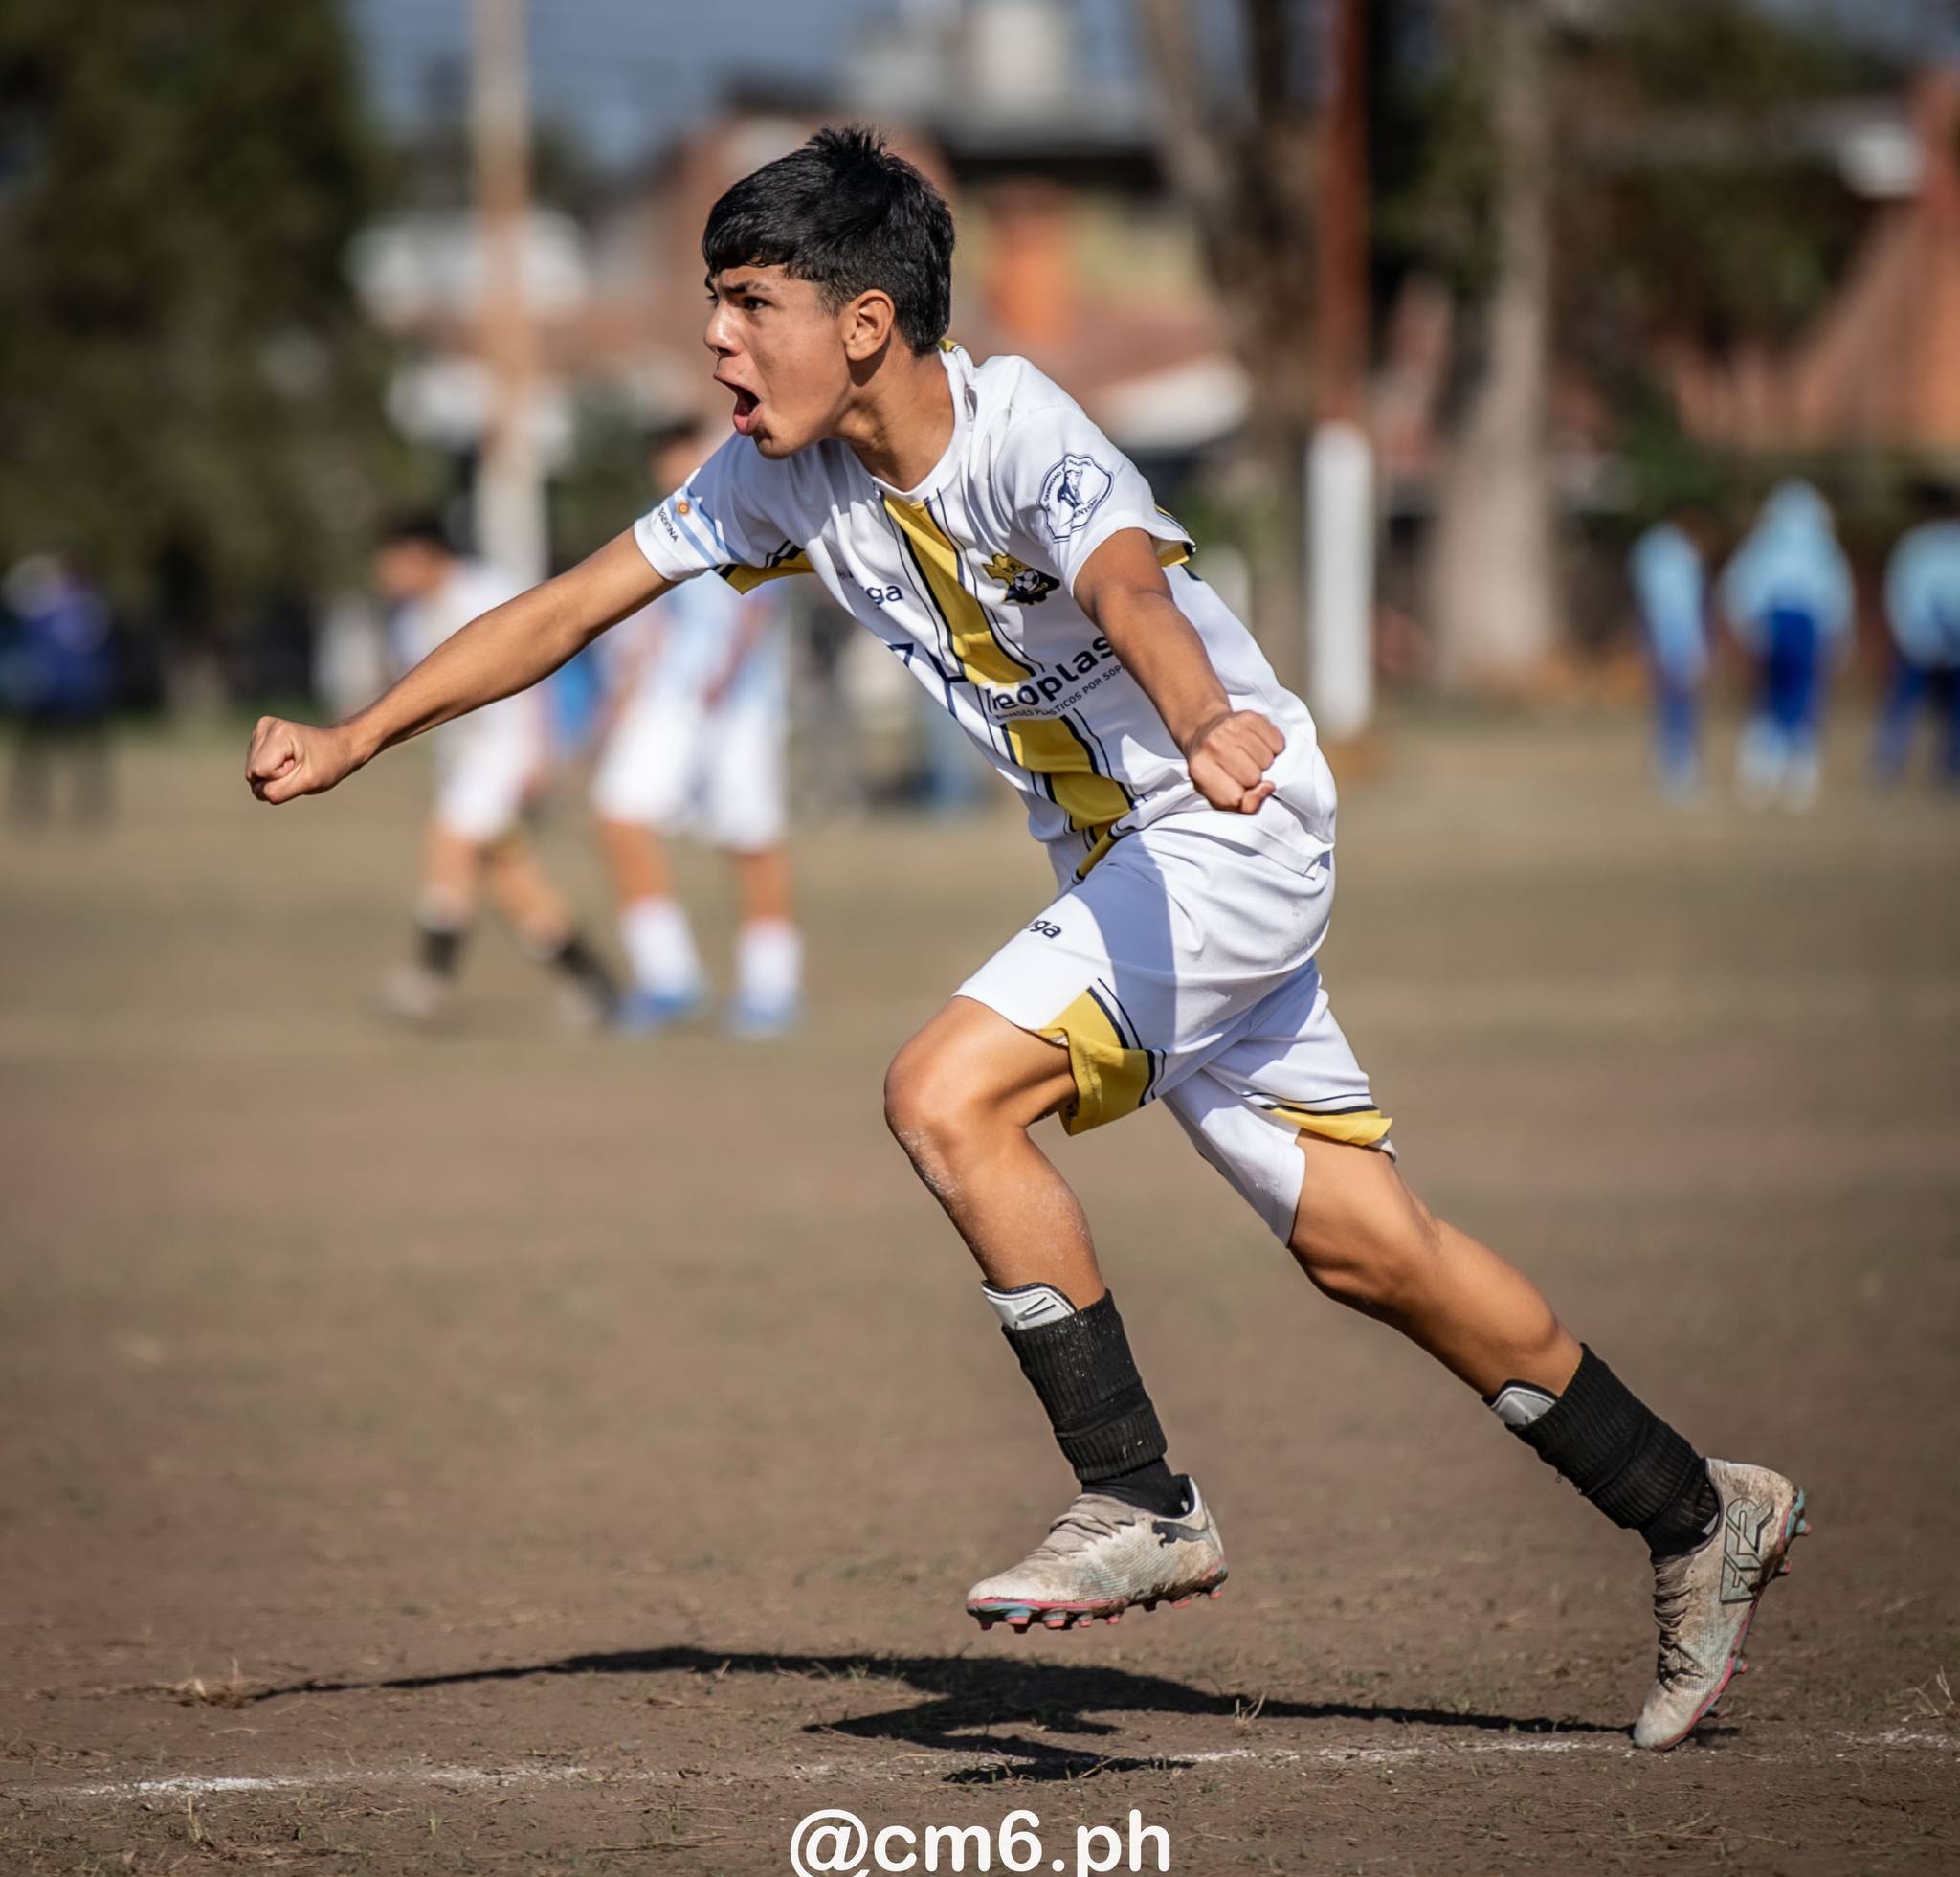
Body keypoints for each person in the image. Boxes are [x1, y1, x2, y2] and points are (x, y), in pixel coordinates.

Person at [246, 129, 1806, 1751]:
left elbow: (1126, 584)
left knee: (945, 1092)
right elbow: (567, 606)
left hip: (1224, 826)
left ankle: (1136, 1493)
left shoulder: (1018, 431)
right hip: (1135, 866)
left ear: (864, 321)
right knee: (1365, 1246)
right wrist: (362, 736)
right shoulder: (778, 476)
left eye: (745, 300)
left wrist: (1201, 720)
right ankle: (1697, 1507)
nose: (714, 336)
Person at [590, 422, 802, 1037]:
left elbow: (761, 606)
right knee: (618, 815)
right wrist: (620, 700)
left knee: (751, 839)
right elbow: (648, 624)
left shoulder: (748, 507)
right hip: (674, 700)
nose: (671, 468)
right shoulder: (659, 521)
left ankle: (771, 988)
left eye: (680, 456)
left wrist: (729, 672)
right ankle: (668, 978)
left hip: (741, 707)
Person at [369, 515, 616, 1029]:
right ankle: (594, 984)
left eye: (391, 561)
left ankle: (431, 973)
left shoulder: (484, 592)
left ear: (419, 553)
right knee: (510, 878)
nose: (384, 575)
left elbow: (539, 667)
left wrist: (541, 753)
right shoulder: (410, 620)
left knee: (450, 839)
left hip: (510, 749)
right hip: (468, 759)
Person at [1719, 481, 1854, 811]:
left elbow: (1736, 587)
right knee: (1797, 701)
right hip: (1795, 625)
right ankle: (1784, 776)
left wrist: (1749, 627)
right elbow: (1837, 597)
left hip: (1782, 625)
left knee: (1774, 701)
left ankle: (1773, 775)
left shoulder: (1764, 545)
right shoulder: (1820, 548)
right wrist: (1838, 638)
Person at [4, 552, 116, 826]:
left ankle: (38, 805)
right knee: (75, 752)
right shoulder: (90, 605)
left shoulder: (44, 607)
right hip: (75, 690)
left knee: (40, 751)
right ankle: (82, 805)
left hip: (53, 690)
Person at [1873, 485, 1960, 786]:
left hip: (1953, 645)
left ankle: (1951, 769)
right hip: (1917, 642)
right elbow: (1901, 593)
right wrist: (1913, 632)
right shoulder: (1917, 546)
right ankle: (1888, 763)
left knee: (1955, 712)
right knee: (1903, 704)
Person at [1626, 514, 1708, 799]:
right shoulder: (1673, 554)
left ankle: (1676, 761)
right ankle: (1676, 762)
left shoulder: (1652, 550)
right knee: (1675, 700)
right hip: (1669, 634)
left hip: (1667, 633)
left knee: (1673, 700)